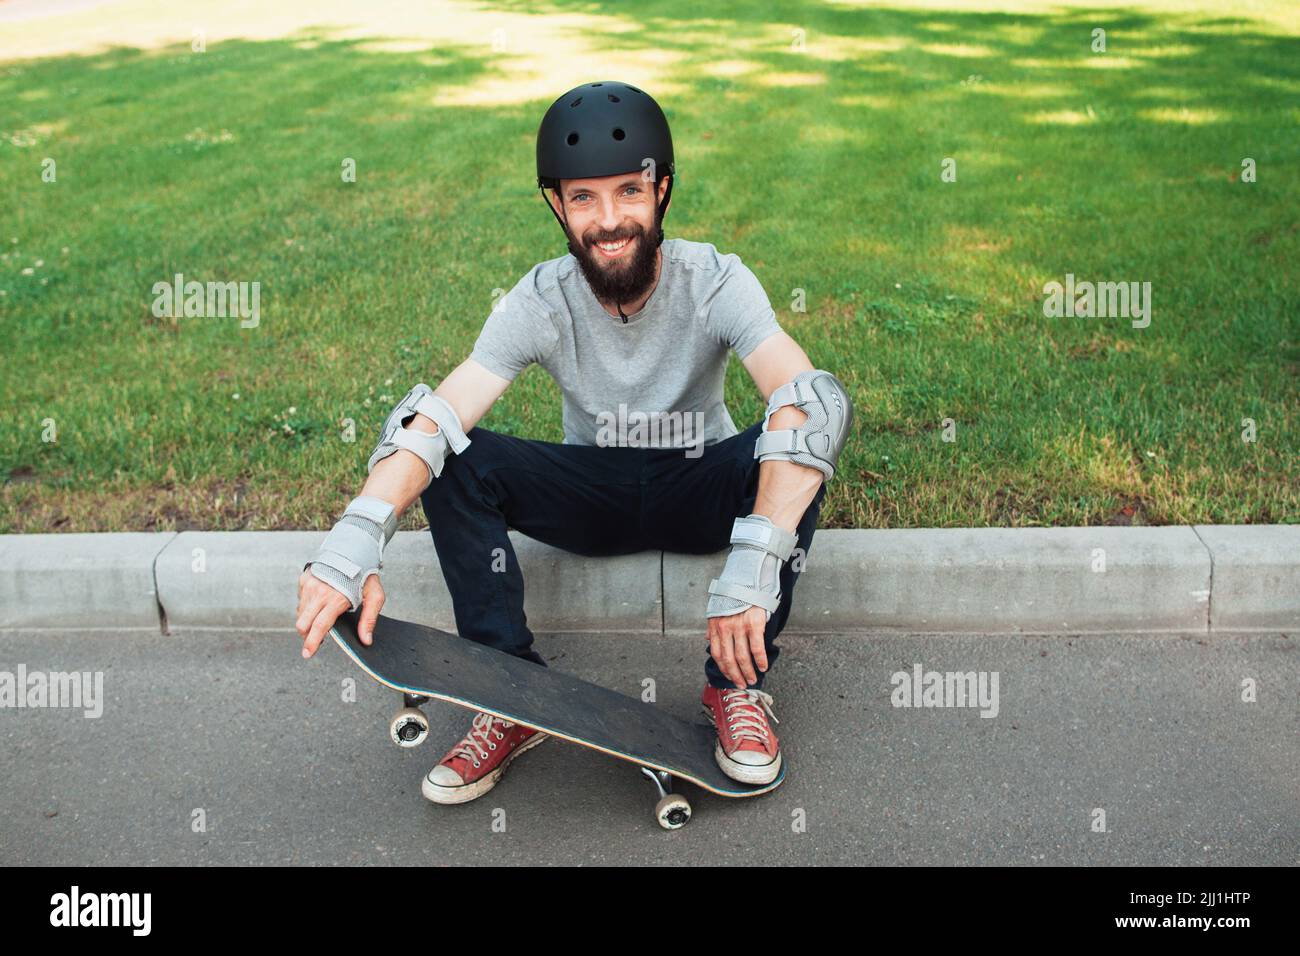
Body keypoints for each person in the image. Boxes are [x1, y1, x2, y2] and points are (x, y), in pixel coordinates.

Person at [295, 80, 852, 806]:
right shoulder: (539, 297)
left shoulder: (715, 280)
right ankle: (506, 692)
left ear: (663, 192)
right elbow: (440, 413)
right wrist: (356, 535)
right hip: (591, 492)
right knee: (454, 454)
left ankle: (737, 688)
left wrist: (754, 563)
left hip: (701, 486)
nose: (610, 219)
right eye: (584, 198)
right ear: (556, 205)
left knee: (796, 434)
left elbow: (812, 402)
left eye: (629, 191)